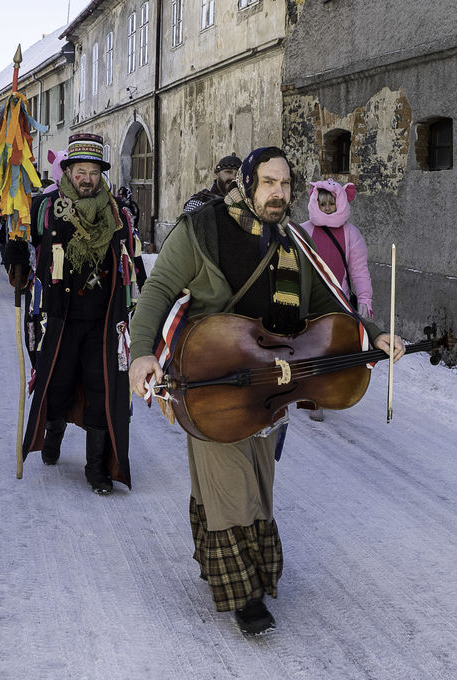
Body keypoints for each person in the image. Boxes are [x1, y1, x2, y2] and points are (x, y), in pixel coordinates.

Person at [128, 146, 403, 636]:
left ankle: (231, 566)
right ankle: (244, 594)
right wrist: (142, 353)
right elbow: (158, 289)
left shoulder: (291, 242)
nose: (279, 194)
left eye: (286, 185)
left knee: (257, 479)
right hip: (212, 375)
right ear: (248, 183)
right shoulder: (202, 229)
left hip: (270, 380)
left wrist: (368, 334)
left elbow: (325, 303)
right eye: (269, 183)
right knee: (229, 480)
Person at [3, 133, 145, 494]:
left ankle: (96, 468)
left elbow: (131, 260)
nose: (87, 179)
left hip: (102, 322)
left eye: (94, 172)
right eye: (80, 171)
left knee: (101, 391)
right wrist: (16, 255)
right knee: (58, 384)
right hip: (60, 318)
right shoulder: (46, 208)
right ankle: (52, 436)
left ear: (101, 176)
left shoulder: (118, 215)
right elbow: (20, 238)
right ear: (67, 171)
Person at [300, 178, 375, 420]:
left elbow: (359, 271)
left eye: (332, 203)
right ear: (315, 201)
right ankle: (309, 392)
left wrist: (364, 299)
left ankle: (322, 393)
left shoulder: (351, 234)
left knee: (331, 347)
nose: (327, 207)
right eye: (322, 203)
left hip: (337, 299)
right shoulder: (304, 230)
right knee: (308, 346)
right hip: (308, 299)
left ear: (340, 202)